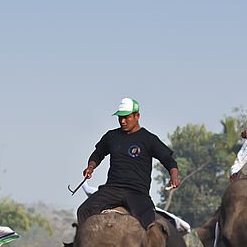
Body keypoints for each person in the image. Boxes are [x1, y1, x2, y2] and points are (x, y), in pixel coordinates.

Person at [77, 98, 180, 230]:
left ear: (137, 116)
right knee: (83, 210)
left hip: (137, 192)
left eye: (126, 117)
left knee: (149, 223)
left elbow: (168, 160)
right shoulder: (111, 136)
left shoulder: (149, 139)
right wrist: (90, 167)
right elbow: (98, 154)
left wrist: (174, 176)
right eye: (120, 118)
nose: (122, 121)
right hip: (112, 189)